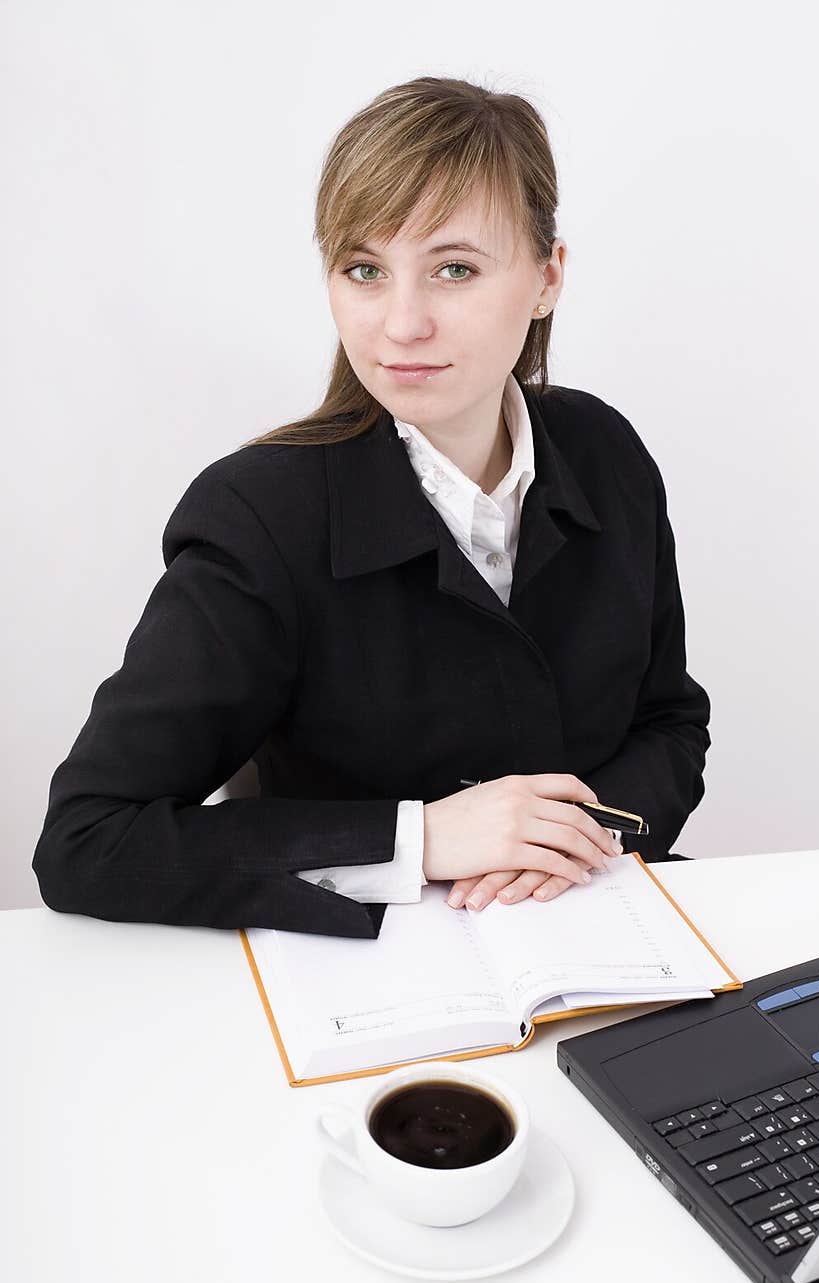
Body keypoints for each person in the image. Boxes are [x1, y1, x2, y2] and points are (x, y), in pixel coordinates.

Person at [31, 75, 710, 941]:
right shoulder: (259, 514)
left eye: (454, 269)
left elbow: (669, 721)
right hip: (368, 977)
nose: (401, 324)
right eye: (364, 269)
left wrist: (564, 844)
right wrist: (423, 838)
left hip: (602, 929)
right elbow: (89, 840)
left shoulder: (606, 451)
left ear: (547, 278)